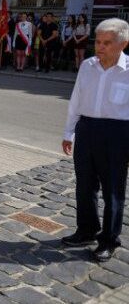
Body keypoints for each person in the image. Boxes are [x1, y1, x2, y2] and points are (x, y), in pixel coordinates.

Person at [61, 18, 129, 262]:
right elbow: (76, 100)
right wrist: (69, 132)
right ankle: (87, 230)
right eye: (97, 42)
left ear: (123, 43)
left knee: (113, 190)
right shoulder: (87, 66)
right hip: (87, 128)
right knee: (85, 185)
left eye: (107, 43)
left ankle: (109, 239)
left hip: (118, 132)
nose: (100, 47)